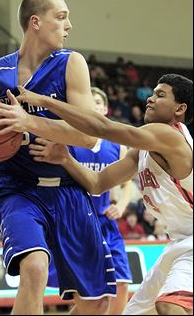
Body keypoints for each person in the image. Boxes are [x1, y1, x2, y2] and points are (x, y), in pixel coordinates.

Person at [0, 73, 193, 315]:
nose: (150, 98)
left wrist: (45, 103)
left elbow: (102, 127)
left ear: (179, 109)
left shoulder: (169, 136)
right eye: (153, 92)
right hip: (179, 241)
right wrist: (65, 158)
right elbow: (97, 183)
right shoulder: (142, 152)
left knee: (170, 306)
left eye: (160, 95)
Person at [0, 0, 117, 315]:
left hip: (68, 190)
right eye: (61, 16)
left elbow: (85, 135)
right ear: (35, 22)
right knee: (34, 268)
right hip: (17, 190)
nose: (69, 25)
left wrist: (29, 122)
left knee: (96, 303)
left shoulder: (71, 63)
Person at [33, 87, 133, 314]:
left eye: (98, 102)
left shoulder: (117, 147)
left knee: (121, 284)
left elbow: (128, 184)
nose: (94, 105)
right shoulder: (68, 141)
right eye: (89, 102)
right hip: (76, 221)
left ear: (105, 109)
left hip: (105, 222)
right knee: (91, 299)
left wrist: (121, 205)